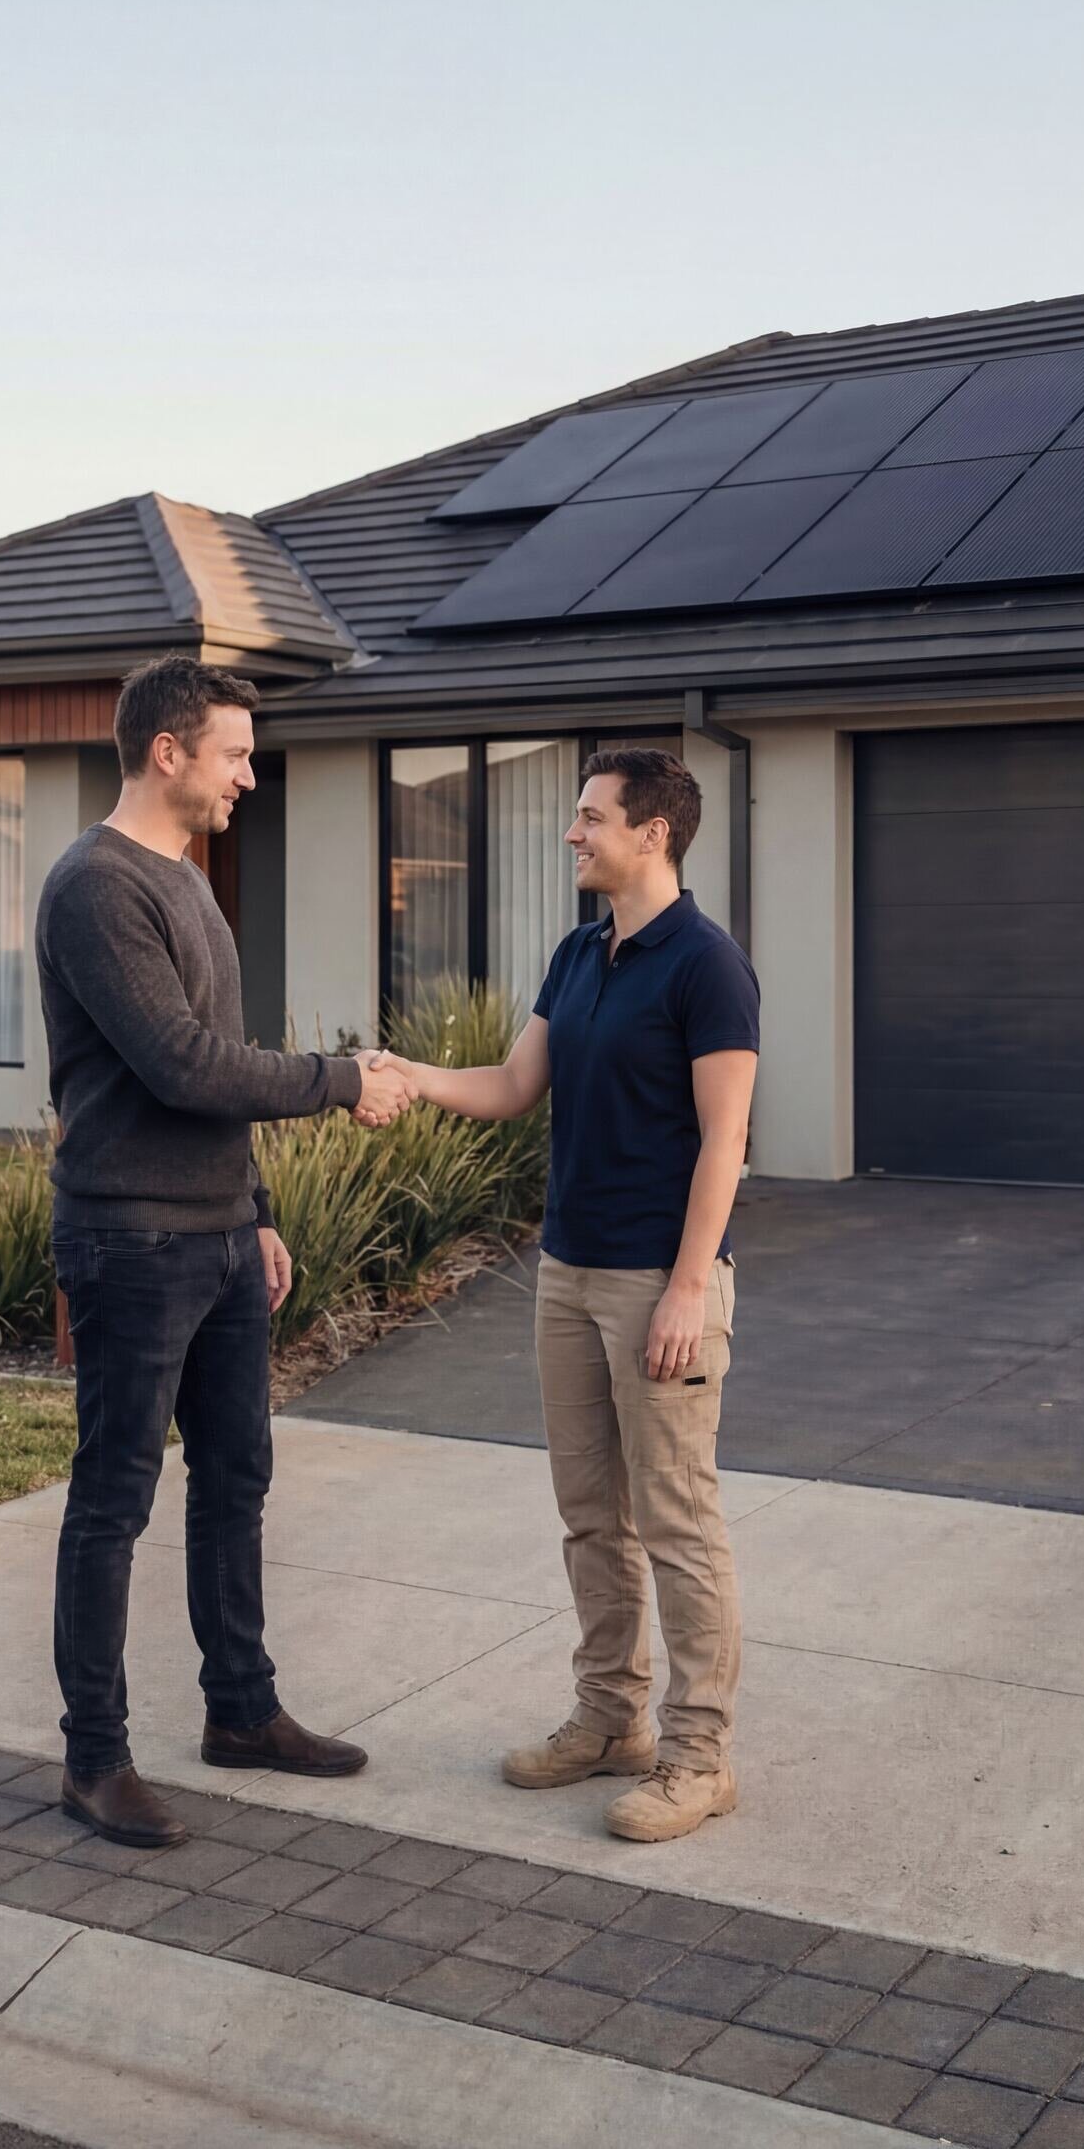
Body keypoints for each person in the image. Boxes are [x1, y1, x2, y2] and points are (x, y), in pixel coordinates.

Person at [36, 654, 416, 1849]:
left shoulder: (189, 883)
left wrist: (253, 1211)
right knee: (113, 1501)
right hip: (130, 1237)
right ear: (169, 750)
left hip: (211, 1238)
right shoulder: (97, 887)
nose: (250, 774)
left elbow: (215, 1066)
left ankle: (240, 1712)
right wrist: (343, 1078)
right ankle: (94, 1760)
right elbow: (183, 1065)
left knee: (235, 1482)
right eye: (236, 753)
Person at [381, 748, 758, 1844]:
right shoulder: (578, 954)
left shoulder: (706, 965)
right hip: (569, 1272)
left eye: (590, 817)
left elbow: (725, 1141)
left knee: (678, 1521)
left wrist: (690, 1287)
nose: (571, 833)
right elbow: (509, 1086)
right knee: (592, 1515)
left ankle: (699, 1757)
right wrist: (405, 1075)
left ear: (654, 833)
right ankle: (609, 1721)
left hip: (657, 1282)